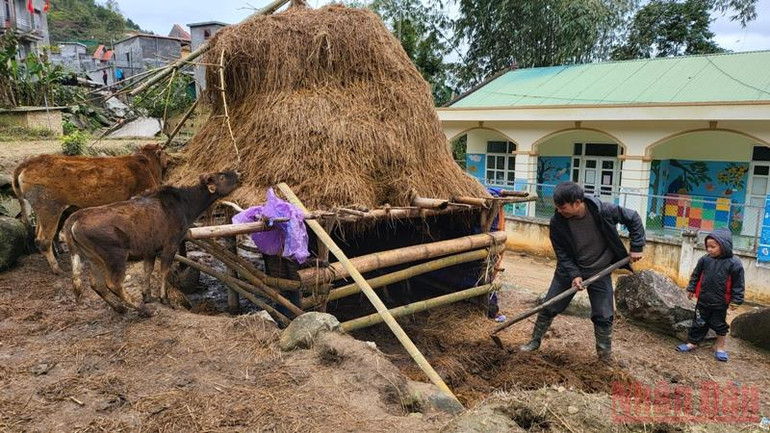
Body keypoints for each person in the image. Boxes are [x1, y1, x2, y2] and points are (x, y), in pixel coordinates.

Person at [520, 181, 645, 363]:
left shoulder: (603, 210)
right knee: (549, 306)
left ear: (578, 202)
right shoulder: (558, 222)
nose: (560, 211)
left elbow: (633, 218)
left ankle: (604, 358)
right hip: (568, 271)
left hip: (600, 271)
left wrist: (637, 246)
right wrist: (574, 274)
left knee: (604, 315)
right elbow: (562, 253)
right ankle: (534, 341)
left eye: (563, 207)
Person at [676, 229, 744, 362]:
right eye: (708, 246)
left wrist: (736, 300)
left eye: (713, 246)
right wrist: (691, 288)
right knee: (698, 322)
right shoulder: (704, 260)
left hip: (720, 303)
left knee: (719, 325)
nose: (710, 249)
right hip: (703, 300)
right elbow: (696, 275)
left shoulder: (734, 263)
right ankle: (693, 342)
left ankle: (720, 347)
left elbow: (738, 284)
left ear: (724, 245)